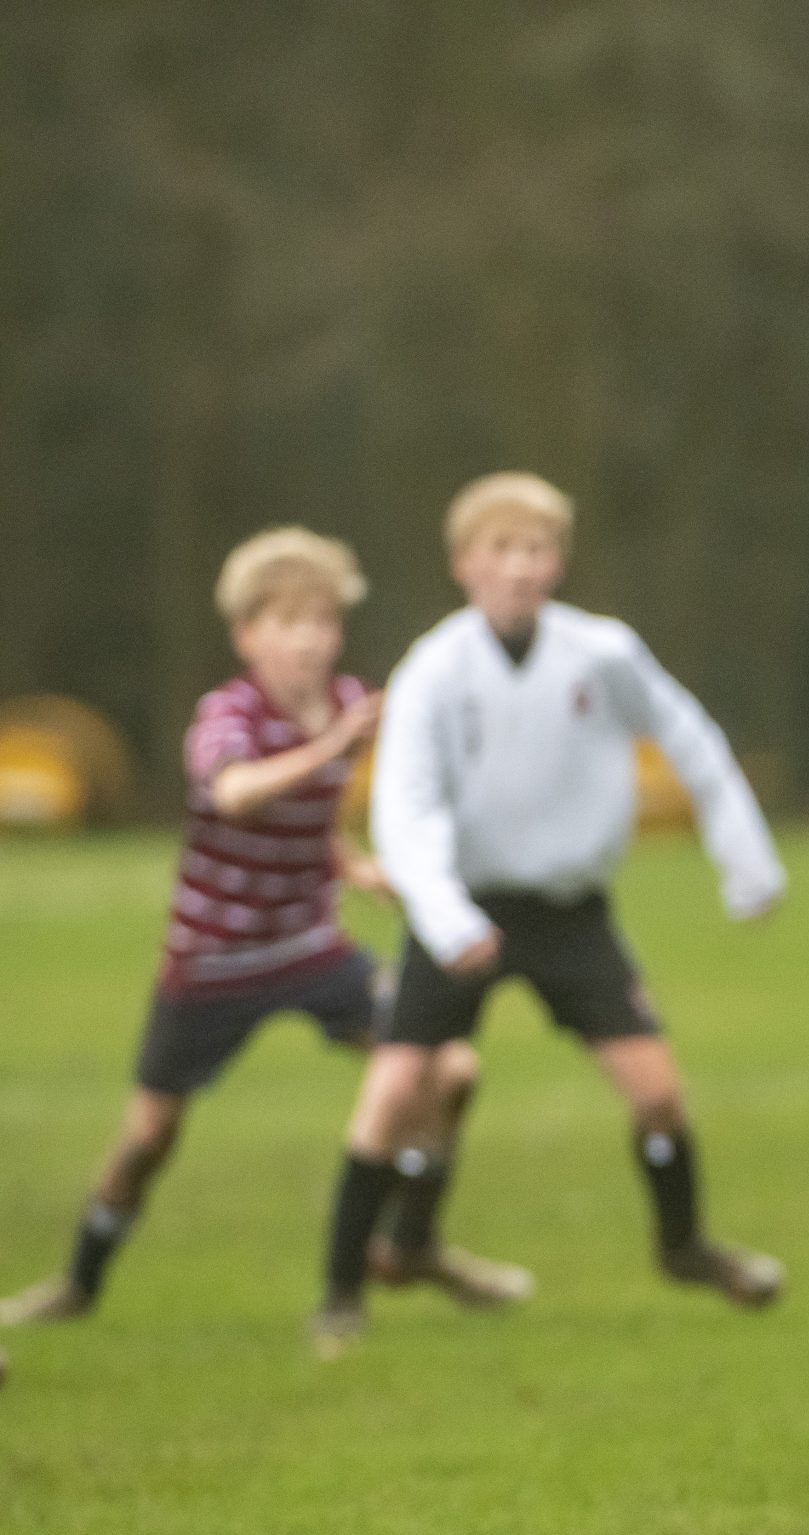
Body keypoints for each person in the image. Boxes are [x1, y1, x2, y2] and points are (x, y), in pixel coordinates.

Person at [311, 472, 786, 1354]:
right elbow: (405, 808)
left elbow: (690, 738)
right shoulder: (435, 669)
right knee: (396, 1088)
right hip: (464, 907)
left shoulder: (602, 653)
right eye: (502, 549)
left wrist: (745, 860)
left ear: (558, 561)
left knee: (657, 1093)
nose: (521, 567)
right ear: (464, 563)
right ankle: (341, 1292)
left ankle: (683, 1246)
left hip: (570, 912)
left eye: (536, 549)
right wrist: (445, 916)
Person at [0, 529, 491, 1327]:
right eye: (288, 622)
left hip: (311, 946)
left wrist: (351, 864)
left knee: (450, 1070)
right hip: (212, 960)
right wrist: (331, 747)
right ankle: (78, 1285)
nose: (310, 639)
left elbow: (311, 813)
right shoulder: (228, 714)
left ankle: (410, 1243)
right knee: (149, 1136)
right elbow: (235, 794)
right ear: (246, 635)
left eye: (322, 621)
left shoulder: (345, 702)